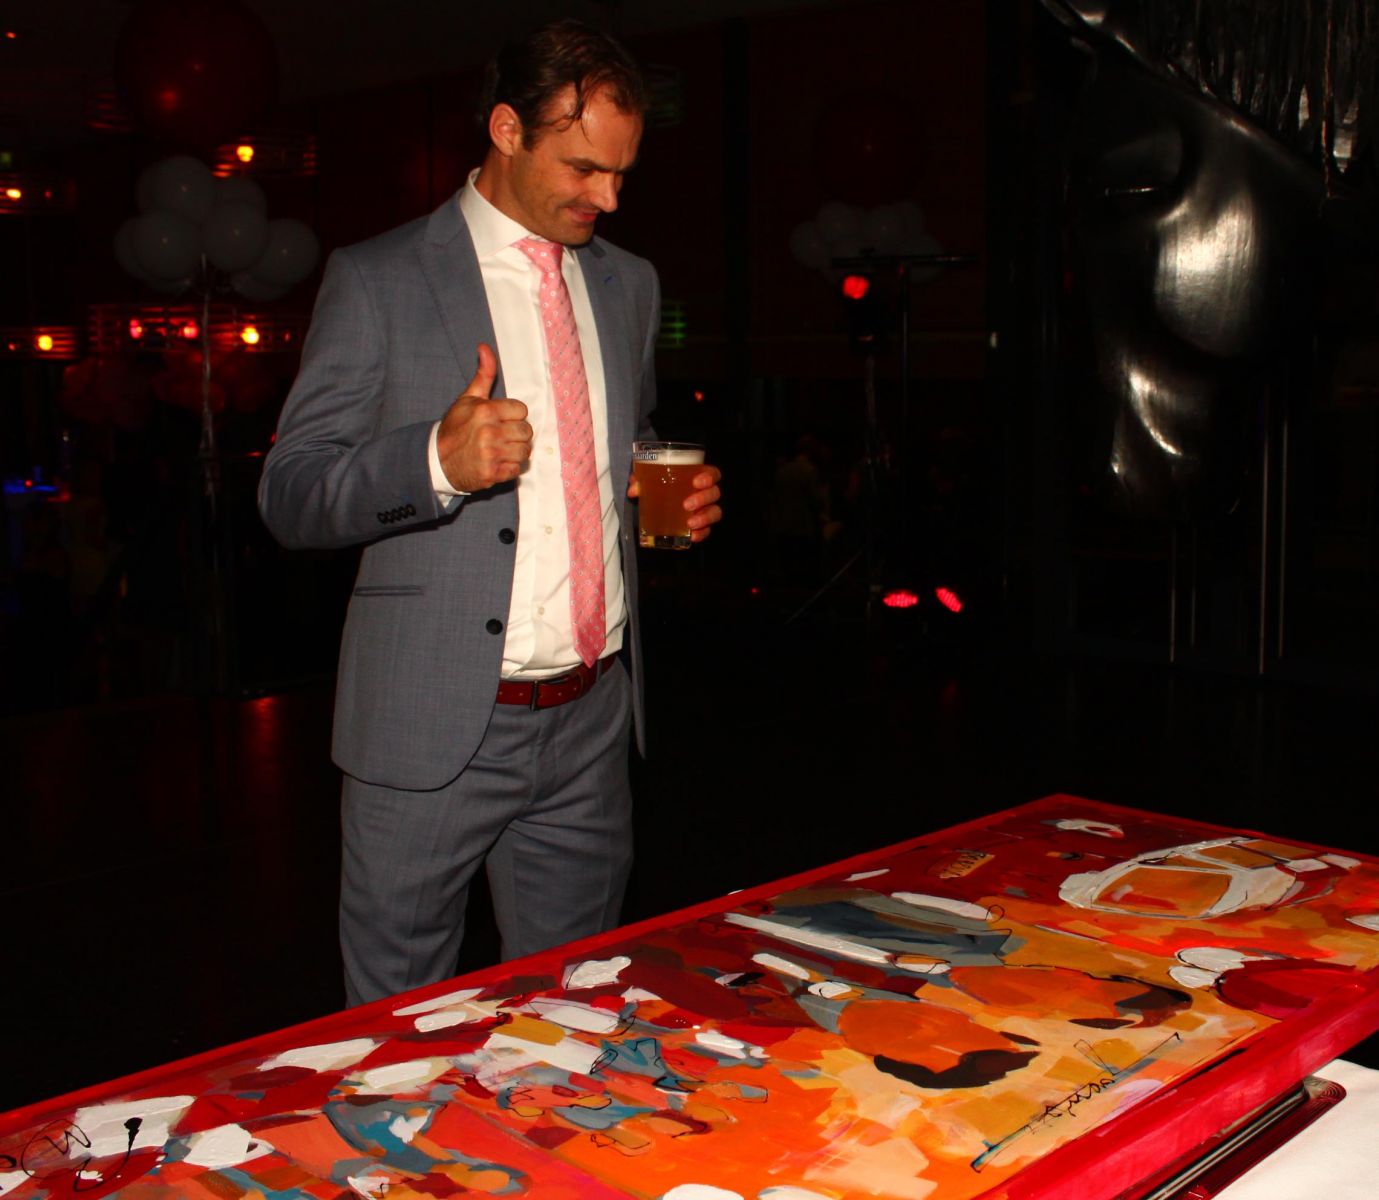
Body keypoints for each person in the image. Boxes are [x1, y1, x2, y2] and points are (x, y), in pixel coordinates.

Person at [258, 19, 722, 1007]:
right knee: (401, 1019)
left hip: (591, 720)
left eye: (621, 174)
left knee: (574, 1005)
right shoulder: (379, 277)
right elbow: (290, 491)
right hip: (430, 726)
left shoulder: (628, 283)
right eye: (584, 168)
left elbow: (627, 436)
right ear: (507, 130)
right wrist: (435, 460)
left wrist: (657, 495)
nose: (607, 198)